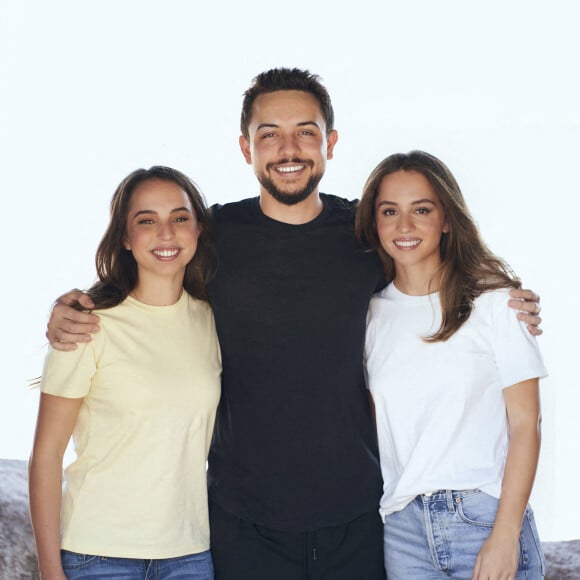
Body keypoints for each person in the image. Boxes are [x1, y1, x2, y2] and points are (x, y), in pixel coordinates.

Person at [44, 69, 543, 580]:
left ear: (329, 142)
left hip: (358, 518)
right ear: (246, 148)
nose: (289, 149)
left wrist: (504, 295)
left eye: (305, 132)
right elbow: (152, 261)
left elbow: (430, 264)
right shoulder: (214, 237)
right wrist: (76, 305)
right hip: (243, 523)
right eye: (269, 135)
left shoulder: (366, 236)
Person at [356, 150, 546, 579]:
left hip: (482, 518)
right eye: (390, 211)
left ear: (446, 219)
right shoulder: (367, 316)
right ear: (375, 222)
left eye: (421, 209)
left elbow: (526, 424)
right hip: (402, 530)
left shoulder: (498, 304)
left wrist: (505, 535)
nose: (404, 226)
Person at [29, 167, 221, 580]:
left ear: (198, 229)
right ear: (126, 238)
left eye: (180, 217)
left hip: (189, 555)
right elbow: (46, 456)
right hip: (97, 557)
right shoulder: (86, 326)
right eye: (146, 220)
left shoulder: (214, 322)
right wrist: (49, 570)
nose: (166, 233)